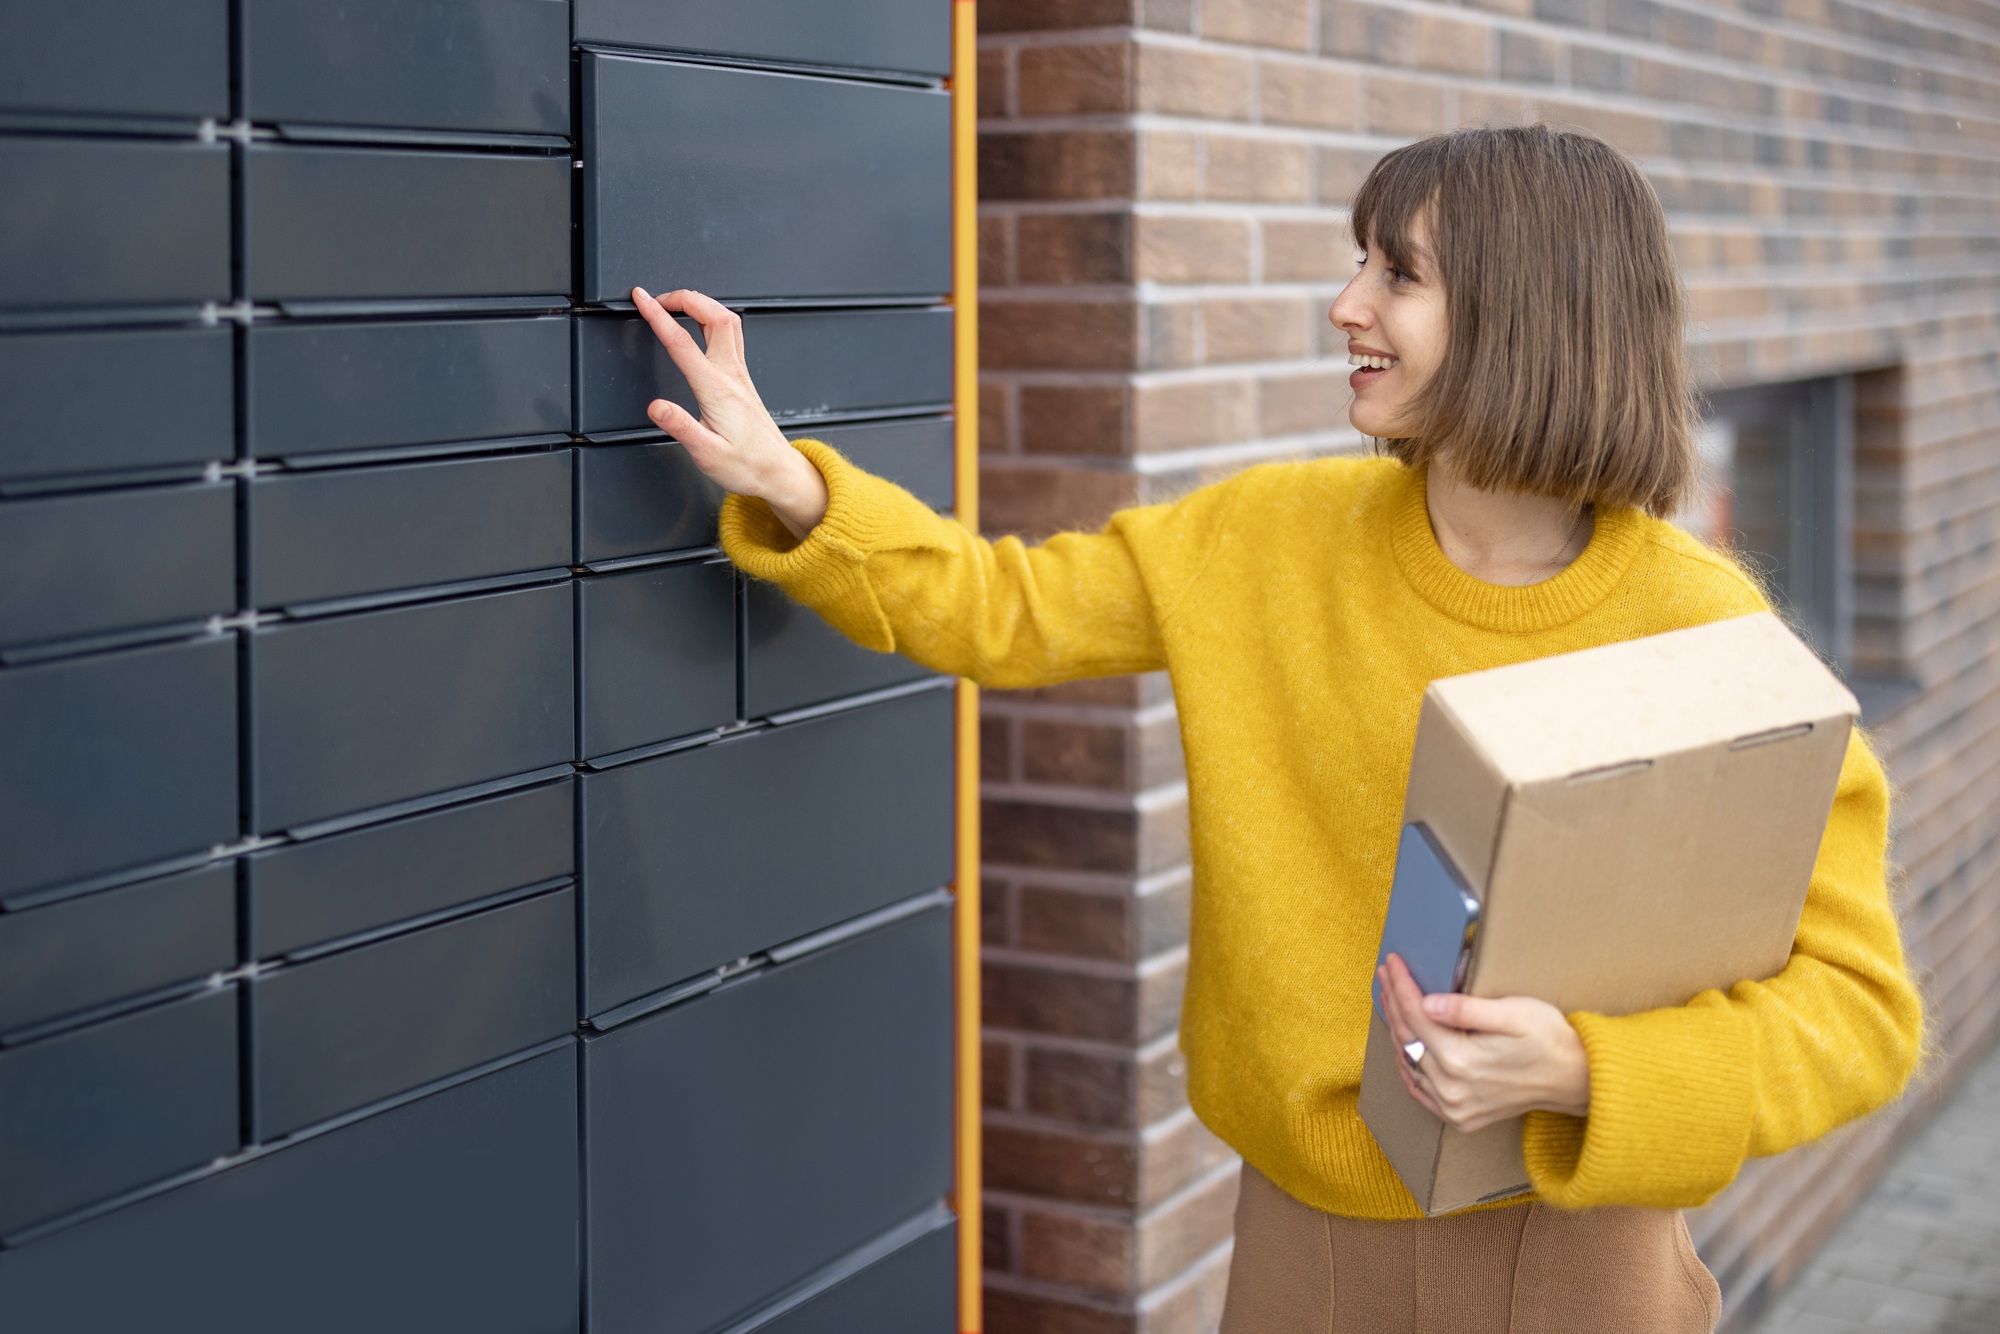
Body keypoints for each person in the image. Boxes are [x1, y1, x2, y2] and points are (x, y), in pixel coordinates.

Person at [626, 125, 1922, 1331]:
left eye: (1396, 273)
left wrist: (1591, 1069)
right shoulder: (1265, 538)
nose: (1346, 303)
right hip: (1300, 1239)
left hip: (1575, 1252)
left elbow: (1859, 1010)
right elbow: (1000, 608)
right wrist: (793, 478)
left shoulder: (1698, 627)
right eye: (1358, 263)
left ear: (1530, 311)